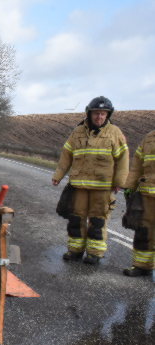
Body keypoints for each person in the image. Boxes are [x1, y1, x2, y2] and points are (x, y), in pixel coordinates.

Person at [52, 96, 129, 265]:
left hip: (102, 187)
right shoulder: (77, 132)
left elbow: (123, 159)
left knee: (97, 220)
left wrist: (119, 181)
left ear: (108, 115)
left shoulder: (114, 133)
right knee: (76, 219)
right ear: (89, 113)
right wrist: (58, 175)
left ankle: (94, 253)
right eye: (96, 114)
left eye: (103, 114)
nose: (99, 117)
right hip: (79, 185)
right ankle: (75, 250)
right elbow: (66, 155)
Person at [121, 130, 155, 276]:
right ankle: (142, 266)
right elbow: (136, 167)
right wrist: (130, 186)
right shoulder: (149, 138)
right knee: (144, 231)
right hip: (147, 193)